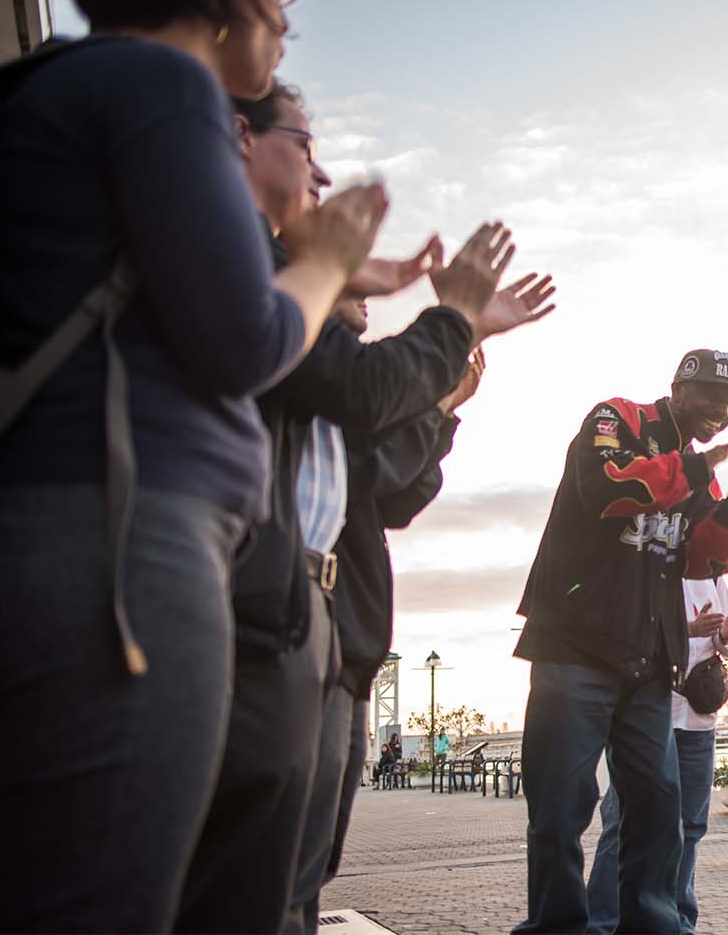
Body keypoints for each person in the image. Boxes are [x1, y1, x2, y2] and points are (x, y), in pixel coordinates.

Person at [0, 0, 384, 930]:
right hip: (128, 543)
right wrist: (325, 259)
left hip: (71, 527)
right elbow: (243, 340)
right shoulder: (165, 88)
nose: (283, 20)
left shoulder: (59, 89)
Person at [177, 79, 555, 933]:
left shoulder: (289, 303)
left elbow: (389, 489)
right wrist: (453, 315)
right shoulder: (242, 273)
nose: (321, 175)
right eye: (306, 147)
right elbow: (369, 390)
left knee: (298, 870)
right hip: (253, 613)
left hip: (321, 628)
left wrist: (442, 401)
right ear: (241, 137)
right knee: (248, 878)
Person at [512, 350, 728, 935]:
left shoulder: (701, 472)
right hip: (573, 646)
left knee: (659, 810)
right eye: (711, 395)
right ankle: (558, 928)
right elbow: (608, 492)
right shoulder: (617, 420)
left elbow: (703, 561)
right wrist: (695, 471)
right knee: (560, 811)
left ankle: (653, 927)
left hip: (647, 661)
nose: (721, 410)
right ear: (678, 388)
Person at [314, 337, 487, 916]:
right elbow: (373, 473)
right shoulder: (316, 377)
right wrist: (436, 409)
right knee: (281, 856)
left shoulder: (345, 407)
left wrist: (443, 419)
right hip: (305, 631)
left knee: (315, 854)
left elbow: (398, 497)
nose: (366, 308)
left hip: (351, 644)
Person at [585, 575, 728, 934]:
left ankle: (678, 922)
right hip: (643, 719)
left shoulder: (710, 573)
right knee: (622, 822)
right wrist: (687, 630)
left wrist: (725, 634)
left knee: (690, 826)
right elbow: (619, 636)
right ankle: (602, 925)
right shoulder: (639, 566)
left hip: (697, 719)